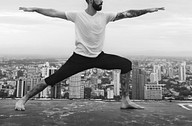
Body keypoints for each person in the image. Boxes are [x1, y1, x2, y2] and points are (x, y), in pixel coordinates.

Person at [15, 0, 164, 111]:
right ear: (90, 0)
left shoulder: (105, 16)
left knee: (126, 64)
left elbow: (128, 14)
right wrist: (35, 9)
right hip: (79, 58)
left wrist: (147, 10)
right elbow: (53, 12)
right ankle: (23, 99)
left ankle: (125, 101)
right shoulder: (77, 15)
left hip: (99, 56)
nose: (102, 1)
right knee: (51, 80)